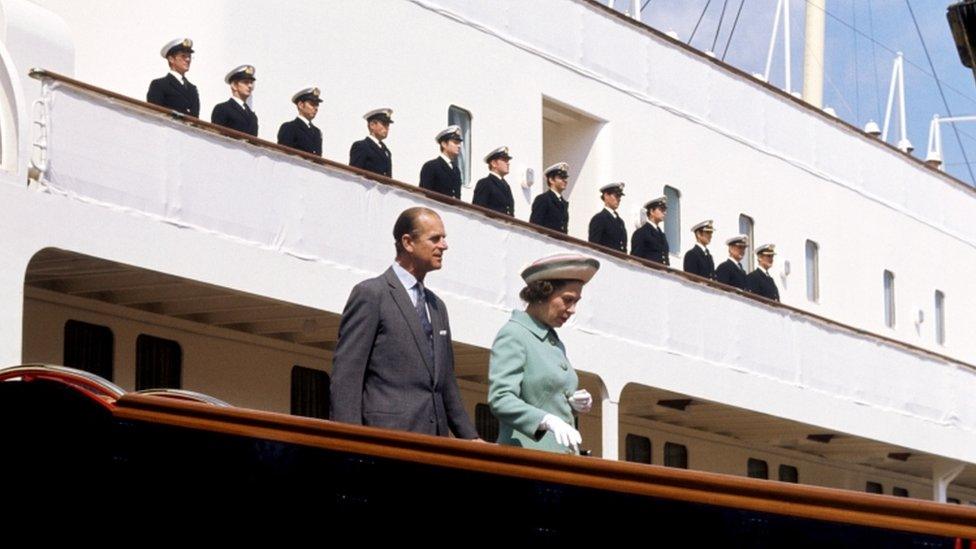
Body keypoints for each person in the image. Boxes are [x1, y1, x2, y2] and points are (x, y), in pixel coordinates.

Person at [330, 207, 478, 439]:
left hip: (434, 444)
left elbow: (446, 383)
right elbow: (347, 377)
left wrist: (471, 438)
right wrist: (348, 443)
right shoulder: (371, 294)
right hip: (387, 443)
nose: (444, 246)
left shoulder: (437, 307)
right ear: (408, 242)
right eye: (435, 239)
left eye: (444, 238)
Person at [488, 254, 599, 454]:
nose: (573, 310)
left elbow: (541, 395)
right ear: (542, 293)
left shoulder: (552, 341)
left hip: (557, 459)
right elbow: (501, 398)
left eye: (576, 302)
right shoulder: (514, 334)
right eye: (567, 300)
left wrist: (571, 403)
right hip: (527, 458)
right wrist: (545, 420)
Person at [146, 38, 200, 117]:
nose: (188, 59)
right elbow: (154, 115)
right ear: (171, 59)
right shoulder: (159, 85)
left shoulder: (192, 89)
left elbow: (195, 118)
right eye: (183, 56)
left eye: (189, 56)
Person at [210, 65, 258, 136]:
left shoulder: (252, 116)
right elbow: (216, 137)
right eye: (246, 82)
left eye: (251, 83)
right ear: (234, 86)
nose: (250, 86)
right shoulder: (222, 109)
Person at [419, 126, 464, 199]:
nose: (459, 146)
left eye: (459, 143)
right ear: (444, 144)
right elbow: (425, 195)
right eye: (455, 142)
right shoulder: (431, 166)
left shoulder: (456, 170)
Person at [277, 87, 323, 155]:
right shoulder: (289, 127)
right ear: (300, 105)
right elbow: (283, 155)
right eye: (312, 104)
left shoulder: (317, 132)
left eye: (317, 105)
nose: (316, 108)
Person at [349, 108, 393, 177]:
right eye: (384, 124)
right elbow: (354, 174)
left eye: (388, 125)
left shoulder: (386, 151)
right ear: (372, 125)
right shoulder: (361, 146)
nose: (387, 128)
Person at [472, 146, 515, 216]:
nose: (508, 163)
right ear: (494, 163)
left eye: (508, 160)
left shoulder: (506, 186)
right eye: (504, 160)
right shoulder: (485, 183)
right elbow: (478, 210)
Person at [529, 162, 570, 234]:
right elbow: (535, 226)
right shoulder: (543, 199)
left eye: (565, 177)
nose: (565, 180)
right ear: (551, 180)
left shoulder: (563, 203)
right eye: (561, 177)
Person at [587, 182, 627, 252]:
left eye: (619, 196)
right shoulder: (599, 218)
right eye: (616, 196)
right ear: (606, 196)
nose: (619, 199)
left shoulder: (620, 221)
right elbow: (594, 245)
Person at [630, 196, 670, 265]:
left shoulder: (662, 235)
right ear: (651, 211)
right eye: (661, 209)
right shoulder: (641, 233)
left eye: (664, 210)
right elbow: (636, 259)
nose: (664, 213)